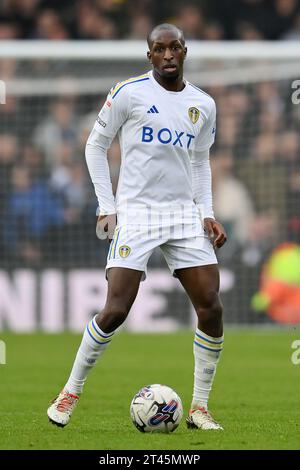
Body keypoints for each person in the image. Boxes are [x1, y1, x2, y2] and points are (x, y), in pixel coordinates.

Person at [47, 23, 227, 431]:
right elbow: (95, 145)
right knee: (116, 310)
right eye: (159, 49)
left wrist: (207, 212)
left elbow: (200, 163)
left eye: (174, 48)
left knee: (211, 306)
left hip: (183, 214)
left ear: (185, 52)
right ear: (149, 56)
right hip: (137, 213)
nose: (167, 55)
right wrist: (105, 206)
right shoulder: (128, 92)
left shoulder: (204, 104)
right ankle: (70, 391)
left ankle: (199, 408)